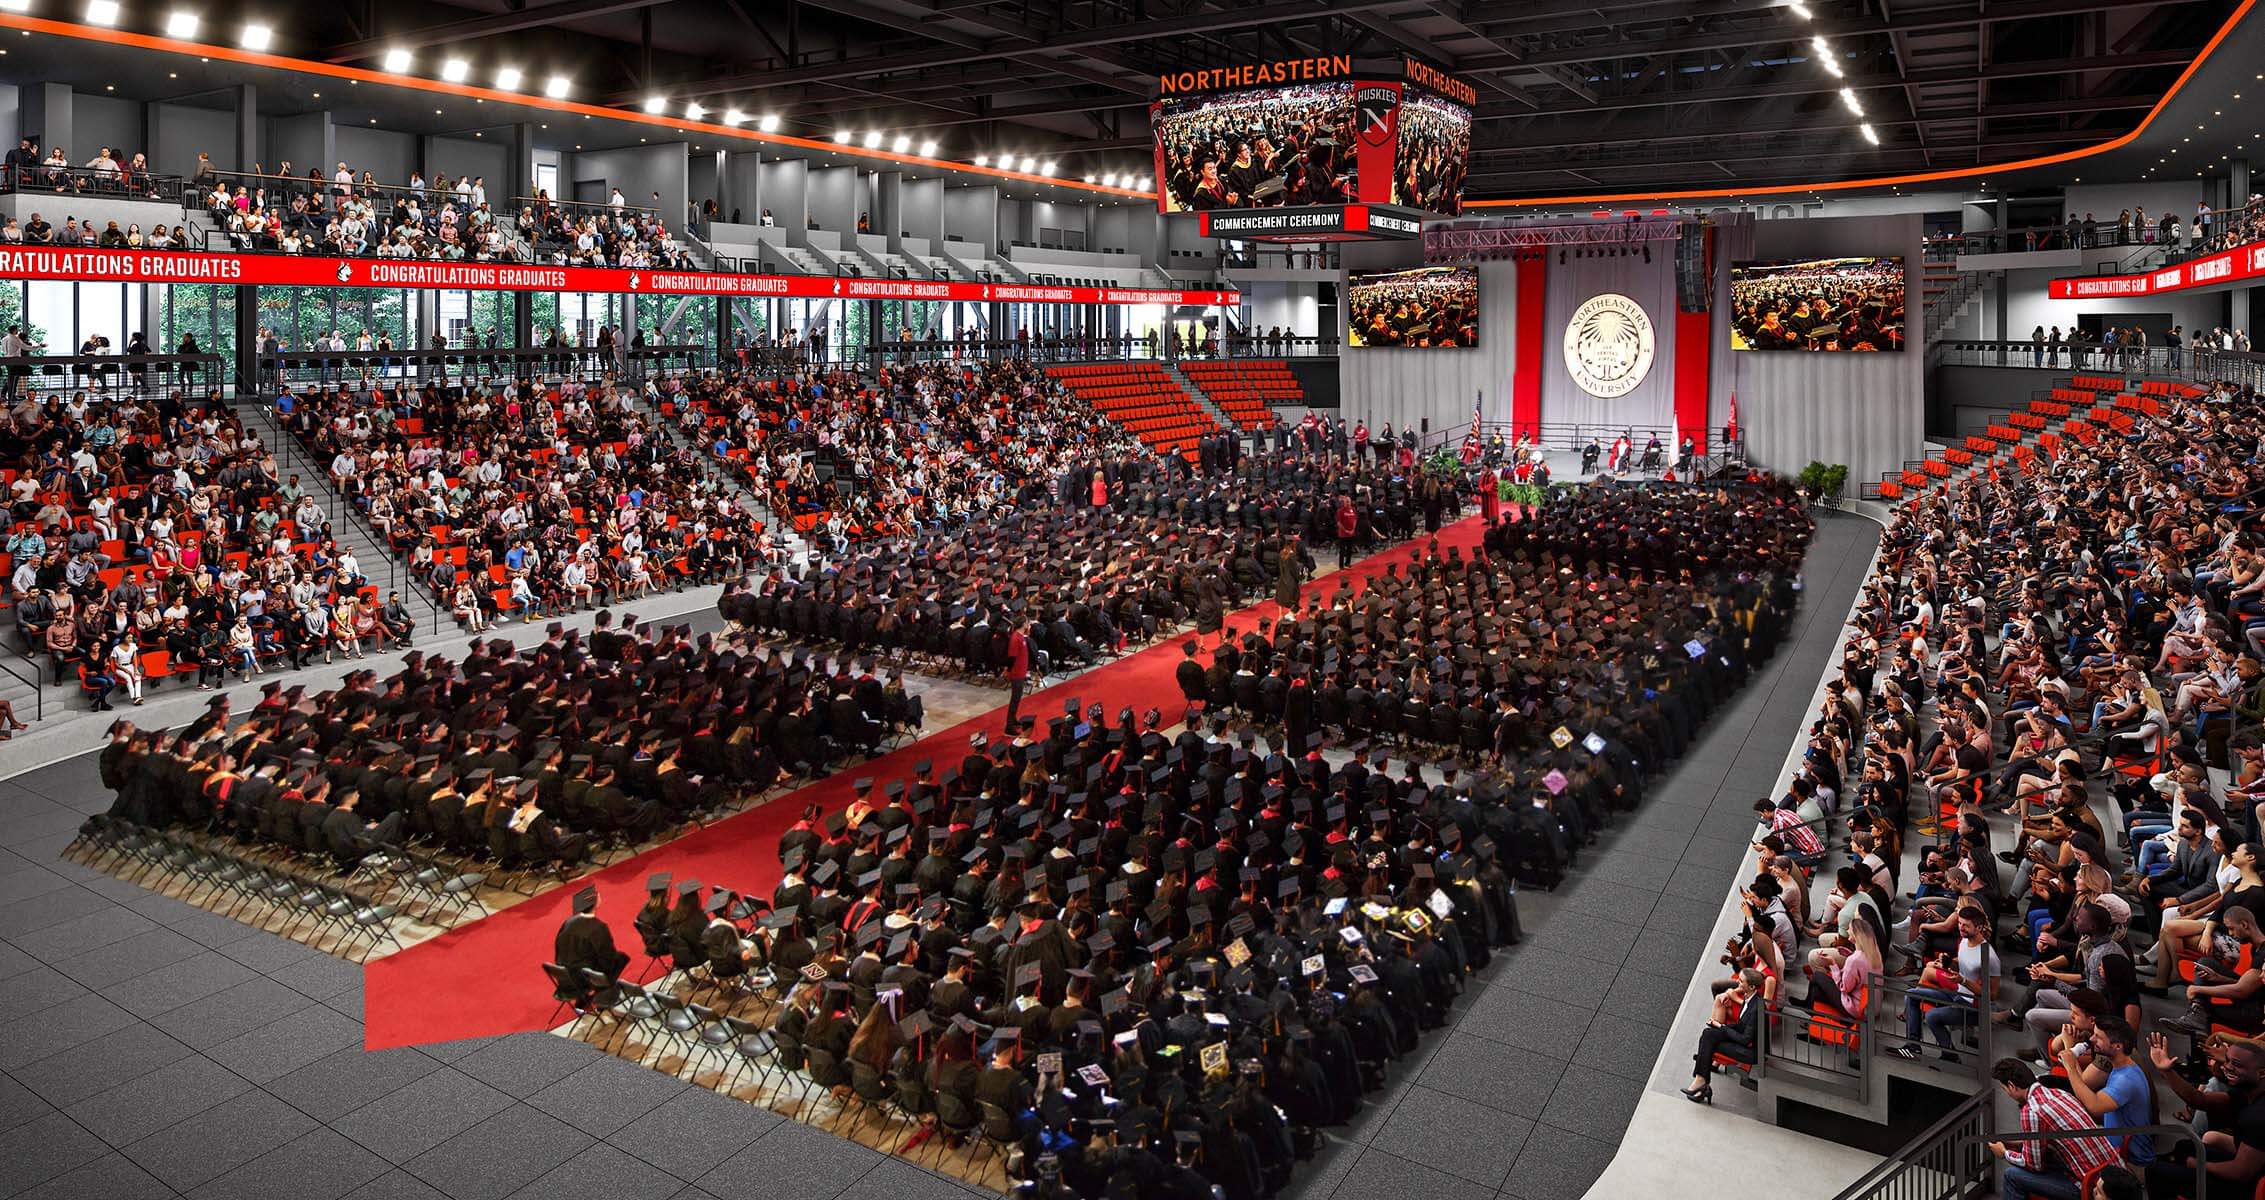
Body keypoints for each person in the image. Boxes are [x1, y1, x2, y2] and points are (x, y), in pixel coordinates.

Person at [1989, 1057, 2127, 1200]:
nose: (2007, 1093)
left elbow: (2033, 1165)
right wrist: (2021, 1144)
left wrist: (2004, 1153)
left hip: (2090, 1187)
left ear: (2011, 1085)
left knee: (2012, 1175)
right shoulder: (2060, 1094)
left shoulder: (2032, 1111)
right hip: (2113, 1176)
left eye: (2005, 1089)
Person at [1683, 967, 1763, 1104]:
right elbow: (1740, 1026)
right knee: (1708, 1034)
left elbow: (1745, 1039)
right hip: (1745, 1043)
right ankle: (1701, 1081)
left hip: (1750, 1052)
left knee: (1708, 1042)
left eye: (1741, 981)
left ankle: (1702, 1082)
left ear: (1751, 986)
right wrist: (1717, 1026)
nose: (1737, 981)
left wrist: (1722, 1027)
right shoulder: (1749, 998)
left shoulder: (1756, 1007)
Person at [554, 885, 629, 1007]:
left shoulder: (567, 922)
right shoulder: (598, 927)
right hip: (583, 978)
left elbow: (558, 949)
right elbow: (607, 958)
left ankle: (586, 998)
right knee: (620, 958)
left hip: (565, 976)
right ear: (595, 903)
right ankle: (605, 998)